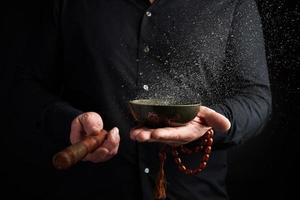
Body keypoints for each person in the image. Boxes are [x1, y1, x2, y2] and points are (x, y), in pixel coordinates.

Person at [12, 0, 272, 199]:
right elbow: (26, 88)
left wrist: (213, 122)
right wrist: (67, 121)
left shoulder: (233, 3)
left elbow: (256, 97)